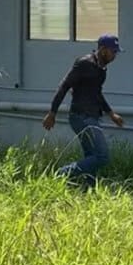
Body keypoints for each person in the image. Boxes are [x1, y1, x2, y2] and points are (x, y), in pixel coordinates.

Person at [42, 34, 125, 187]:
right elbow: (64, 86)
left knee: (92, 156)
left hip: (92, 116)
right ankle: (61, 174)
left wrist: (111, 114)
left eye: (116, 52)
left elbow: (97, 93)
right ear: (102, 50)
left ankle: (88, 190)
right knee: (102, 156)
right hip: (81, 117)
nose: (115, 55)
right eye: (113, 51)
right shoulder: (84, 63)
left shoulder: (102, 69)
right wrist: (52, 113)